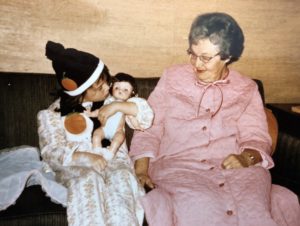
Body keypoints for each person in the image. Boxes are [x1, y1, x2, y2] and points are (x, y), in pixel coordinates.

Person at [130, 12, 300, 226]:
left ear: (227, 56)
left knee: (253, 211)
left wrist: (247, 158)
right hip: (179, 168)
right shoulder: (172, 78)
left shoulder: (246, 89)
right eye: (192, 54)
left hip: (237, 169)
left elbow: (255, 134)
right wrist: (141, 170)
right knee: (201, 209)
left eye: (205, 58)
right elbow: (148, 127)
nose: (196, 64)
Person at [38, 41, 154, 226]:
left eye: (107, 82)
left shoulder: (114, 101)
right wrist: (84, 157)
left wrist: (117, 105)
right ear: (80, 92)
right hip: (78, 168)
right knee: (87, 180)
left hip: (114, 162)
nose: (108, 88)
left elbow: (145, 118)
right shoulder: (51, 114)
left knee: (122, 181)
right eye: (99, 88)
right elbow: (51, 152)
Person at [86, 72, 145, 161]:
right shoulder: (107, 102)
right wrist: (91, 114)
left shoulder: (127, 105)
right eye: (117, 88)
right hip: (104, 128)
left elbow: (131, 117)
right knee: (96, 135)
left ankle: (110, 153)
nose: (120, 91)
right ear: (111, 89)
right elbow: (100, 111)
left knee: (119, 139)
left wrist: (137, 126)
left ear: (132, 93)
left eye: (125, 90)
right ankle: (97, 152)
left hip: (118, 131)